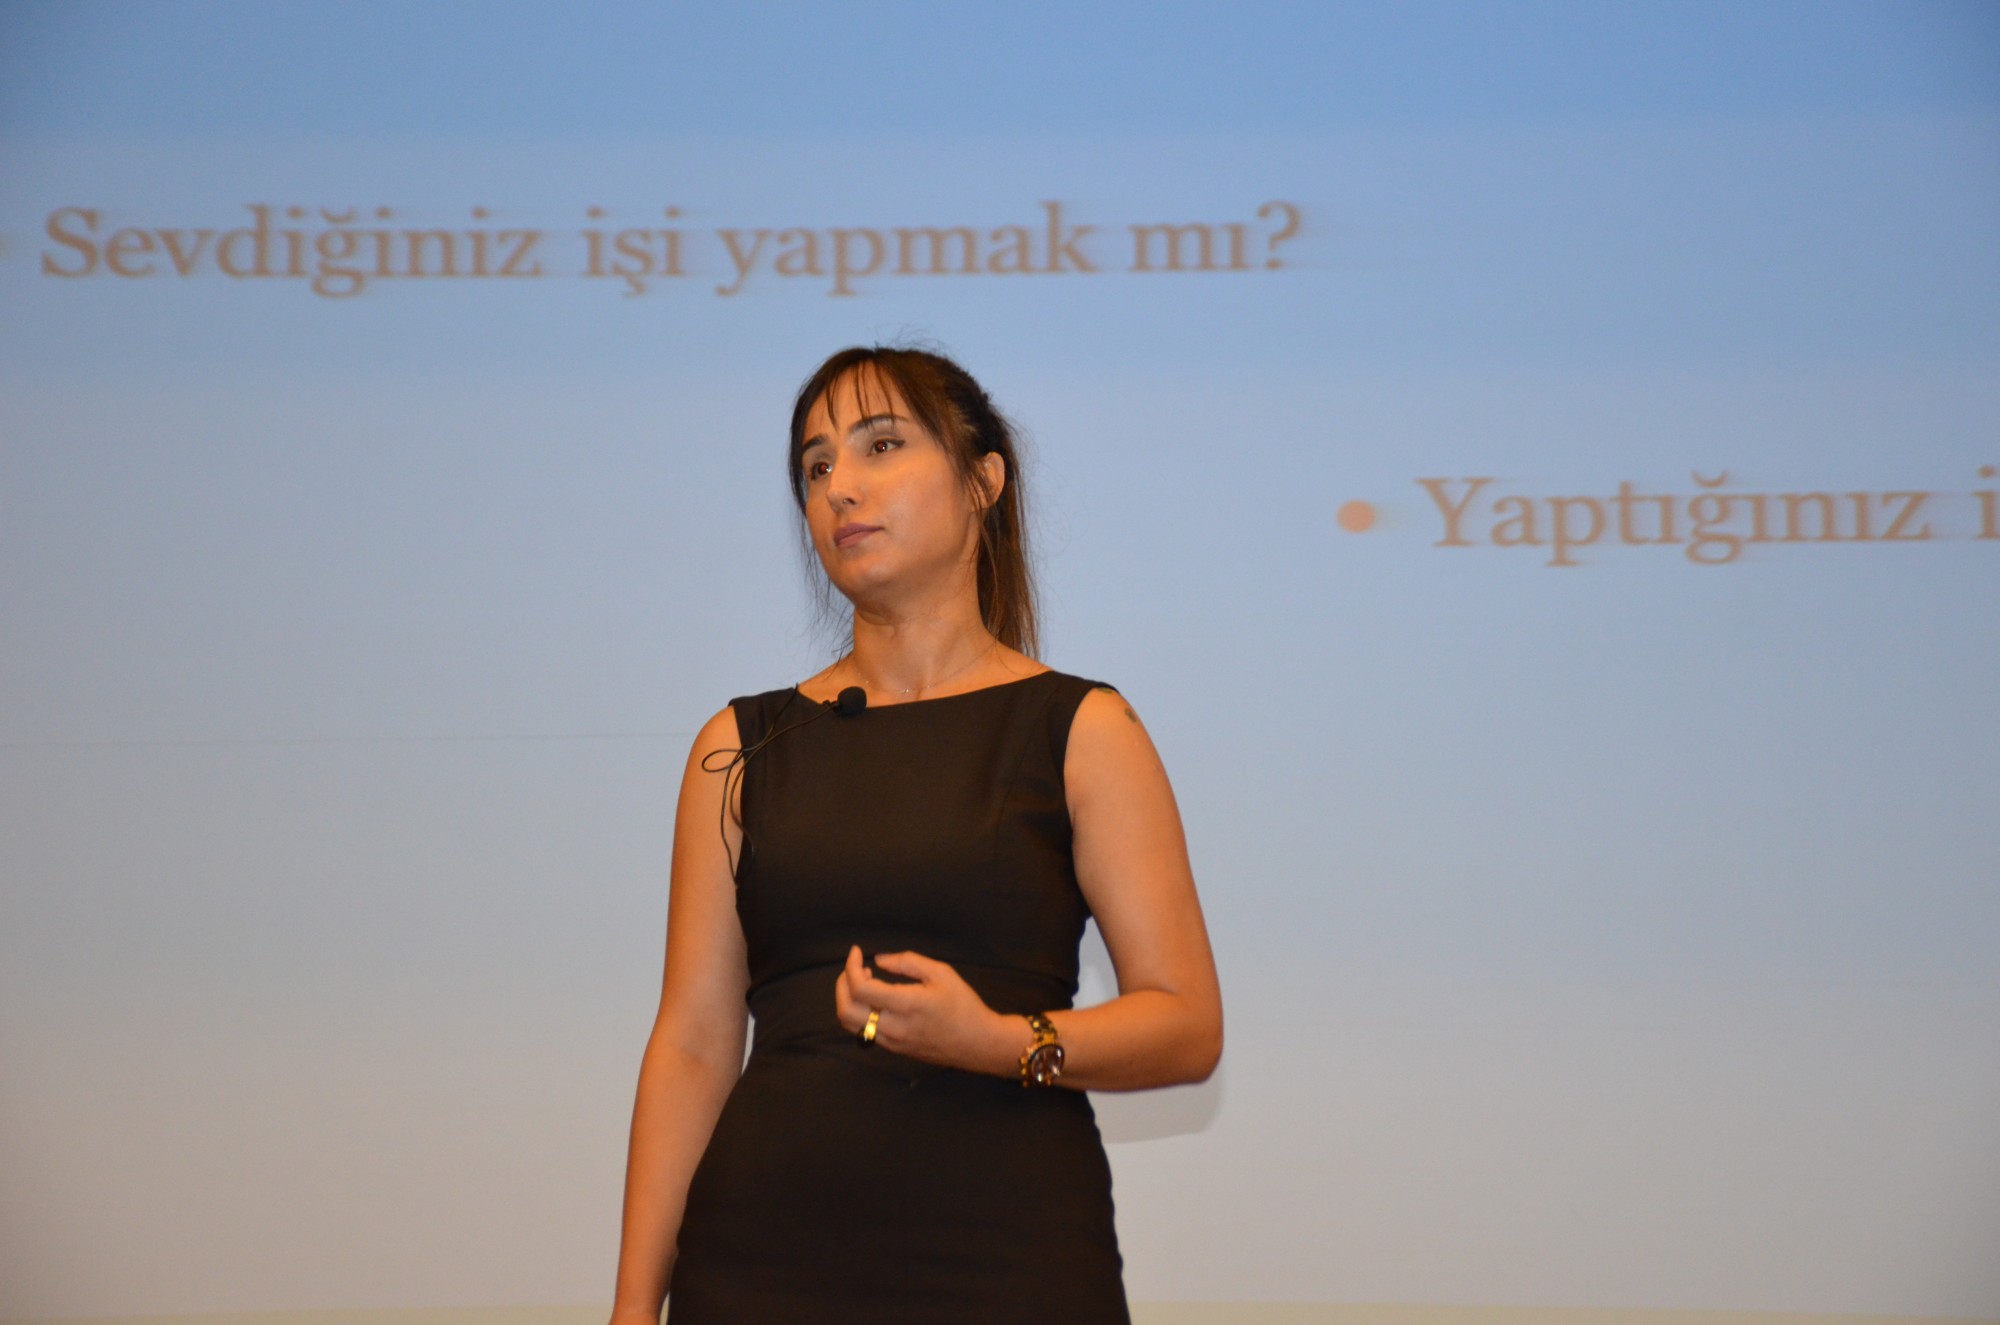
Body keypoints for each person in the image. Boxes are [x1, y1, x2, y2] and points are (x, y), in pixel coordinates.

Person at [609, 346, 1223, 1324]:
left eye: (881, 446)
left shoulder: (1082, 728)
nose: (839, 487)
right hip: (759, 1261)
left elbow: (1186, 1025)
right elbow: (691, 1043)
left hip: (1010, 1255)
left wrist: (997, 1040)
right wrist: (633, 1307)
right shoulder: (738, 746)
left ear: (984, 480)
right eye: (816, 466)